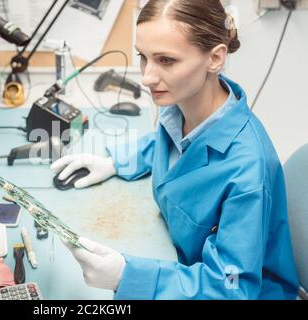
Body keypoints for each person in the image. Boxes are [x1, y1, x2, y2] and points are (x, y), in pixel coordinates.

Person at [50, 0, 299, 299]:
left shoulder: (246, 172)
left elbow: (233, 287)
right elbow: (173, 148)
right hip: (182, 265)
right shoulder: (181, 109)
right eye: (143, 57)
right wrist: (114, 162)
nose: (147, 77)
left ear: (215, 58)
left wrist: (128, 277)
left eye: (166, 60)